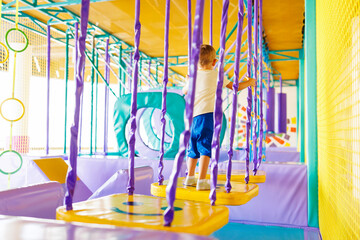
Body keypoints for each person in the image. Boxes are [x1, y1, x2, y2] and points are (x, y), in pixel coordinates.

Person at [182, 44, 256, 190]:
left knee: (193, 148)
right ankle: (201, 180)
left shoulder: (193, 77)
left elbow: (184, 91)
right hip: (208, 116)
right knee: (205, 148)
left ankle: (190, 177)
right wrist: (250, 82)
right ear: (214, 62)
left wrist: (187, 81)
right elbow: (235, 87)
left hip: (192, 119)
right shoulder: (217, 75)